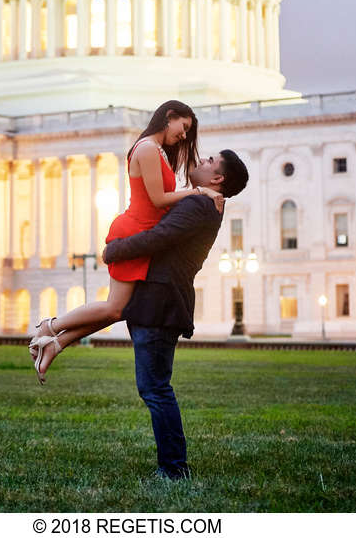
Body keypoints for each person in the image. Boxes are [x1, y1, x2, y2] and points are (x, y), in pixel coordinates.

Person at [29, 100, 224, 383]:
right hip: (132, 232)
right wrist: (197, 192)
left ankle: (56, 344)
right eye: (183, 128)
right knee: (113, 308)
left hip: (142, 234)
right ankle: (50, 326)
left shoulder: (157, 150)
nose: (184, 136)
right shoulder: (146, 148)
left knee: (119, 310)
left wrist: (199, 191)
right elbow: (158, 200)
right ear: (169, 117)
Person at [102, 149, 249, 481]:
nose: (202, 160)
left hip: (160, 301)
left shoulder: (200, 205)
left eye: (210, 161)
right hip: (160, 301)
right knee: (155, 387)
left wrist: (115, 249)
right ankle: (173, 463)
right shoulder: (204, 201)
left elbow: (160, 237)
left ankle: (174, 467)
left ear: (218, 178)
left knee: (155, 388)